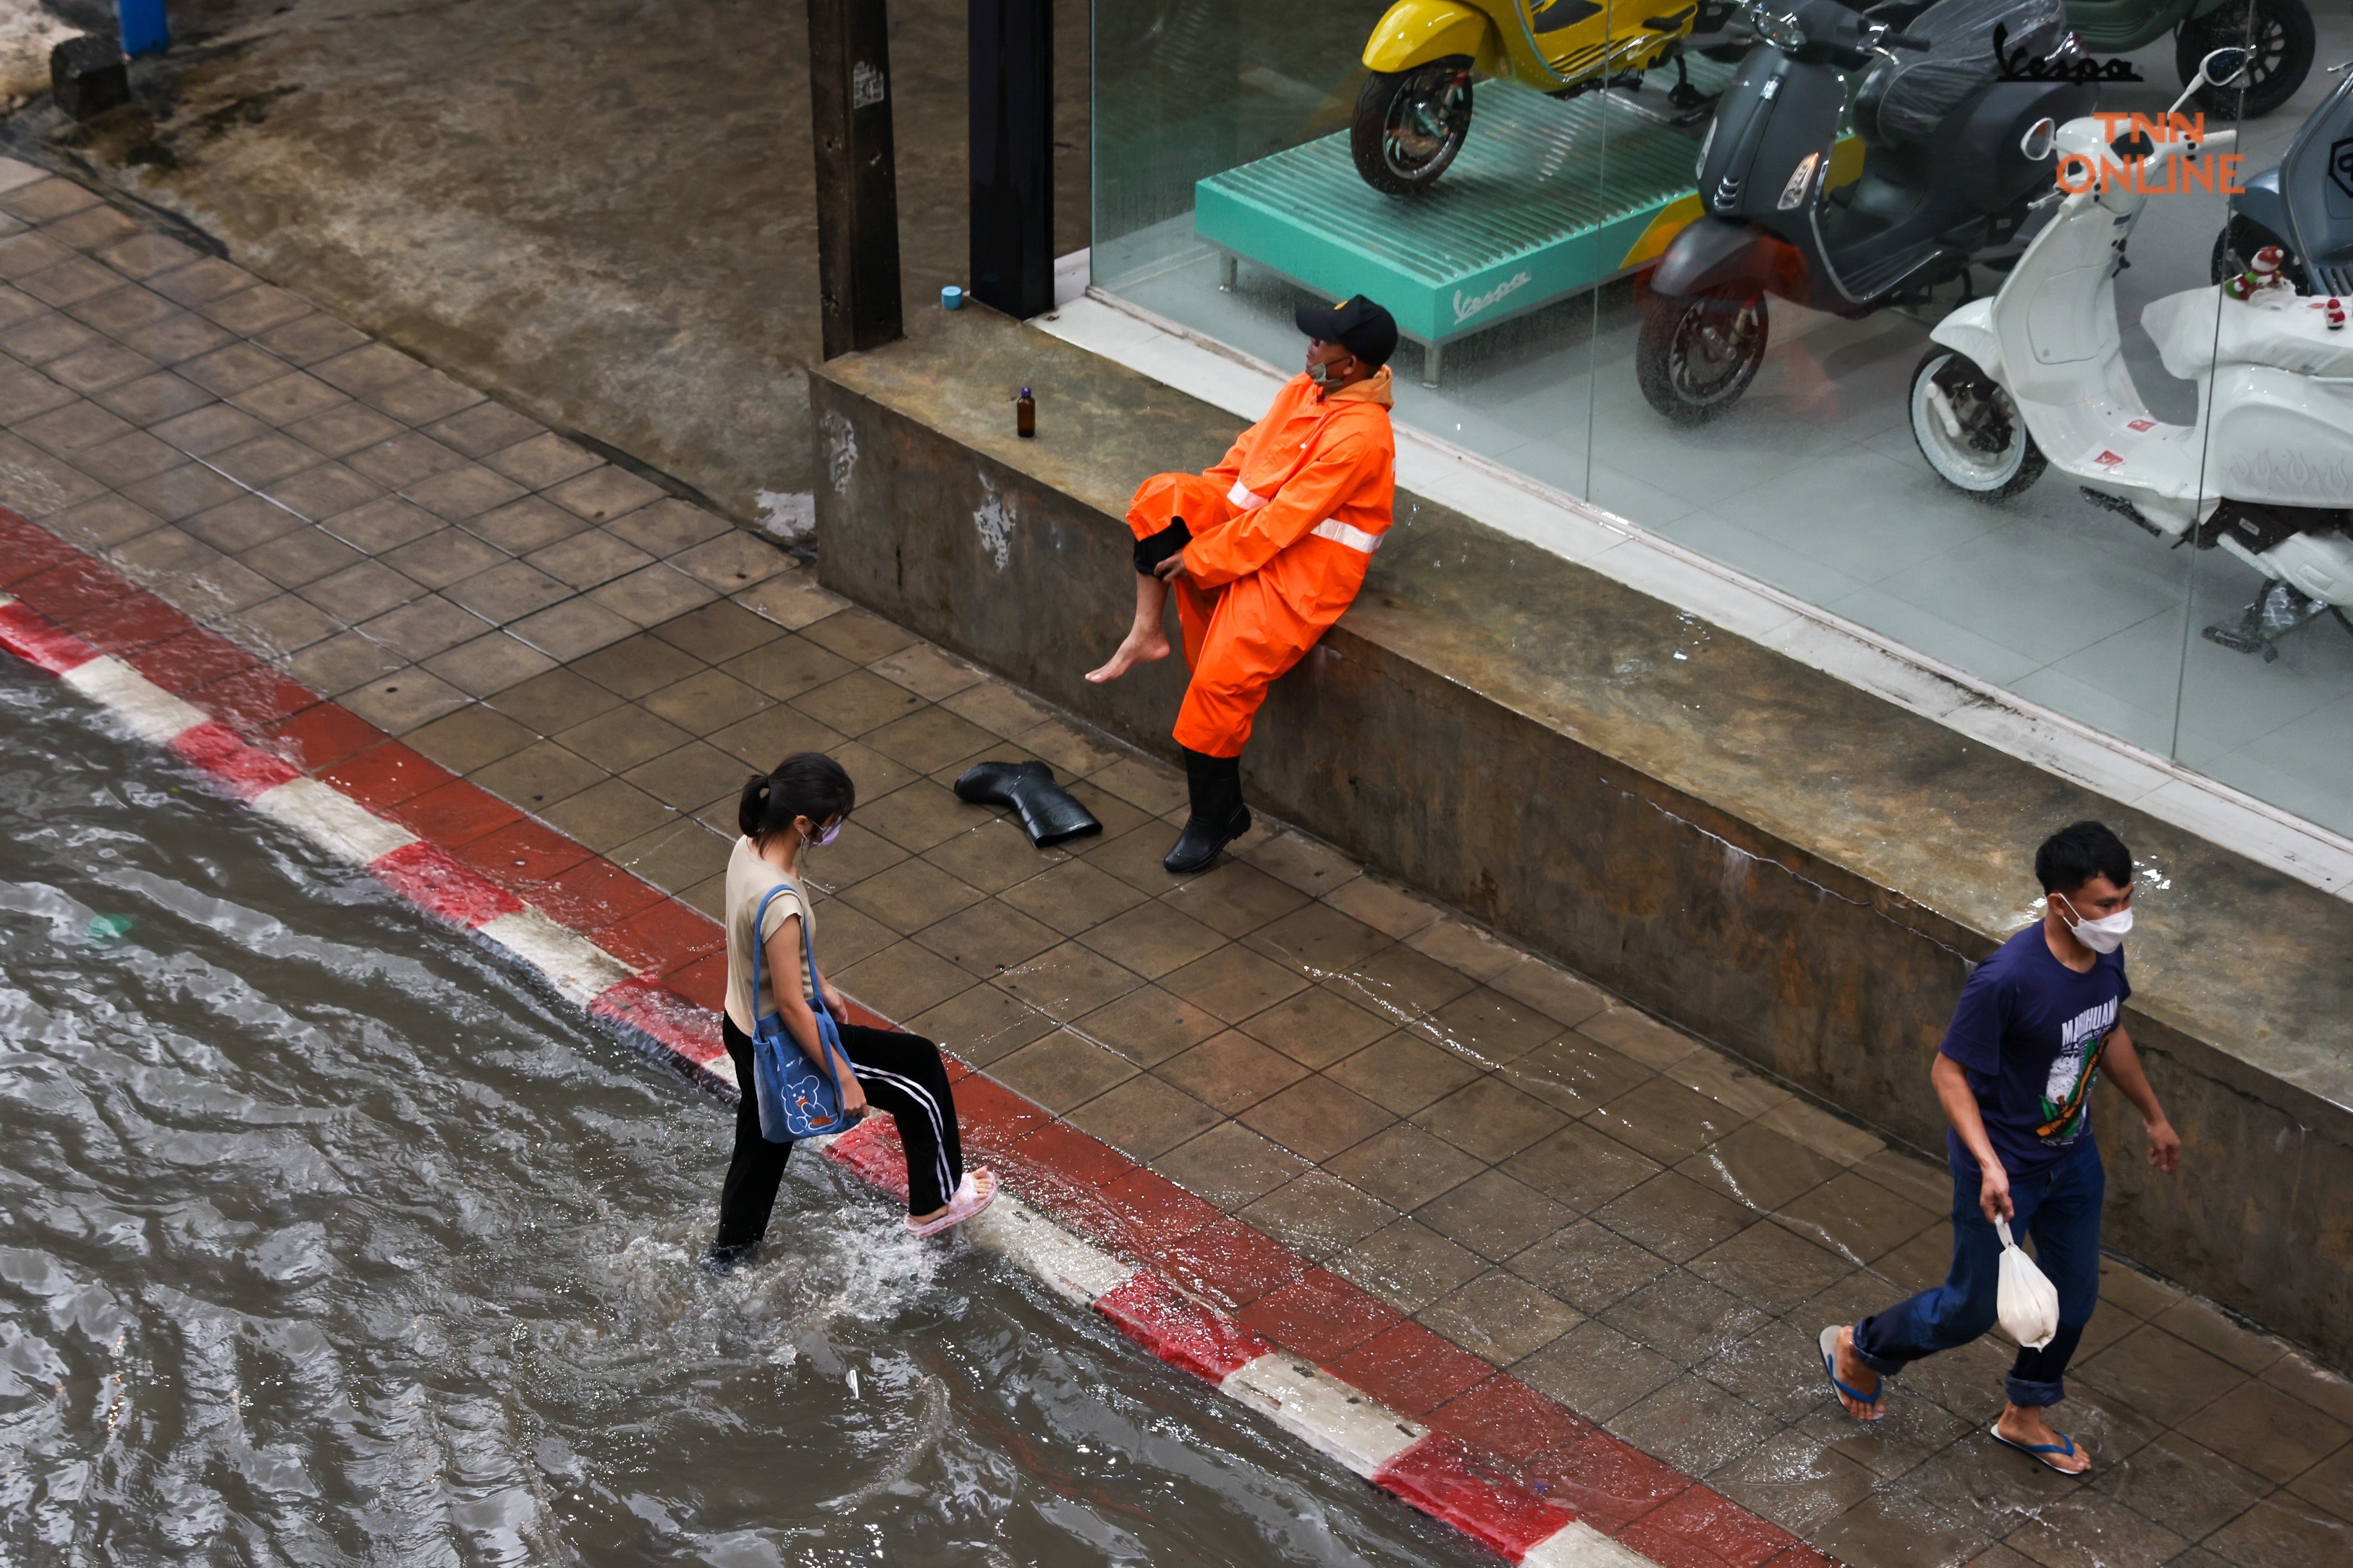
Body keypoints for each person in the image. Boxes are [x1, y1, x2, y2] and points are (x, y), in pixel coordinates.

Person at [1822, 821, 2181, 1475]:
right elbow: (1948, 1072)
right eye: (2106, 905)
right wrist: (1988, 1164)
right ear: (2059, 903)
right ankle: (1862, 1344)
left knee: (2072, 1300)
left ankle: (2024, 1414)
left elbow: (2107, 1032)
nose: (2120, 917)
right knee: (1969, 1310)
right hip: (2005, 1170)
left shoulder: (2103, 957)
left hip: (2073, 1156)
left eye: (2127, 900)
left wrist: (2154, 1116)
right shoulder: (2007, 979)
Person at [1086, 294, 1400, 873]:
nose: (1309, 345)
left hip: (1307, 570)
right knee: (1163, 497)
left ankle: (1217, 816)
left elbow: (1287, 522)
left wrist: (1202, 556)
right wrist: (1194, 518)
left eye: (1319, 341)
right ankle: (1145, 631)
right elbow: (1242, 464)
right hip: (1252, 538)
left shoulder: (1361, 435)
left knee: (1218, 683)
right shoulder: (1307, 389)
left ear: (1349, 363)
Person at [709, 753, 995, 1271]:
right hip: (786, 1043)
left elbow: (766, 951)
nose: (833, 830)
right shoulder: (779, 898)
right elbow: (793, 1008)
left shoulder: (746, 851)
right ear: (802, 823)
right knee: (919, 1069)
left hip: (742, 1027)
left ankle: (729, 1257)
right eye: (831, 821)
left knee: (762, 1144)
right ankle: (935, 1203)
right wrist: (842, 1078)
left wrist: (820, 980)